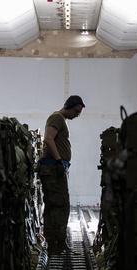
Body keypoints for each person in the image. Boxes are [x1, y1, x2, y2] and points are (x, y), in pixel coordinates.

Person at [39, 95, 85, 256]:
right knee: (60, 205)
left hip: (55, 168)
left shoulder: (60, 119)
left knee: (55, 205)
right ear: (69, 106)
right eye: (76, 111)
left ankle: (55, 243)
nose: (77, 115)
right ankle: (56, 245)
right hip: (53, 168)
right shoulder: (57, 118)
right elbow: (48, 138)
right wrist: (59, 160)